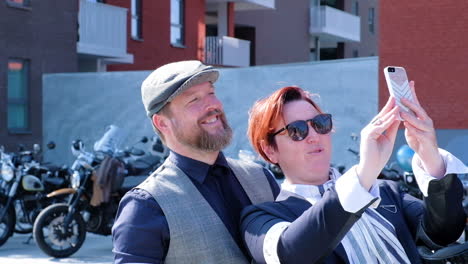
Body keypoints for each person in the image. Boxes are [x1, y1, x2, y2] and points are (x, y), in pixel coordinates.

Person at [241, 85, 468, 263]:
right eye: (296, 130)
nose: (314, 136)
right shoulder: (259, 218)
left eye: (320, 124)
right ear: (270, 150)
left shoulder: (387, 192)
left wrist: (431, 158)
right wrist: (364, 174)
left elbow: (443, 234)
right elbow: (289, 254)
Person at [112, 60, 280, 264]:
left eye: (211, 93)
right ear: (162, 122)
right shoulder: (145, 206)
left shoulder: (261, 178)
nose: (213, 105)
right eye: (194, 99)